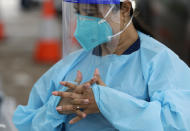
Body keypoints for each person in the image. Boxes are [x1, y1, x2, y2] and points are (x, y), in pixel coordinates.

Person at [13, 0, 190, 131]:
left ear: (125, 8)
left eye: (90, 13)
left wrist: (107, 102)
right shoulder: (70, 65)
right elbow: (25, 123)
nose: (83, 21)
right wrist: (57, 108)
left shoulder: (159, 62)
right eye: (78, 12)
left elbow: (178, 124)